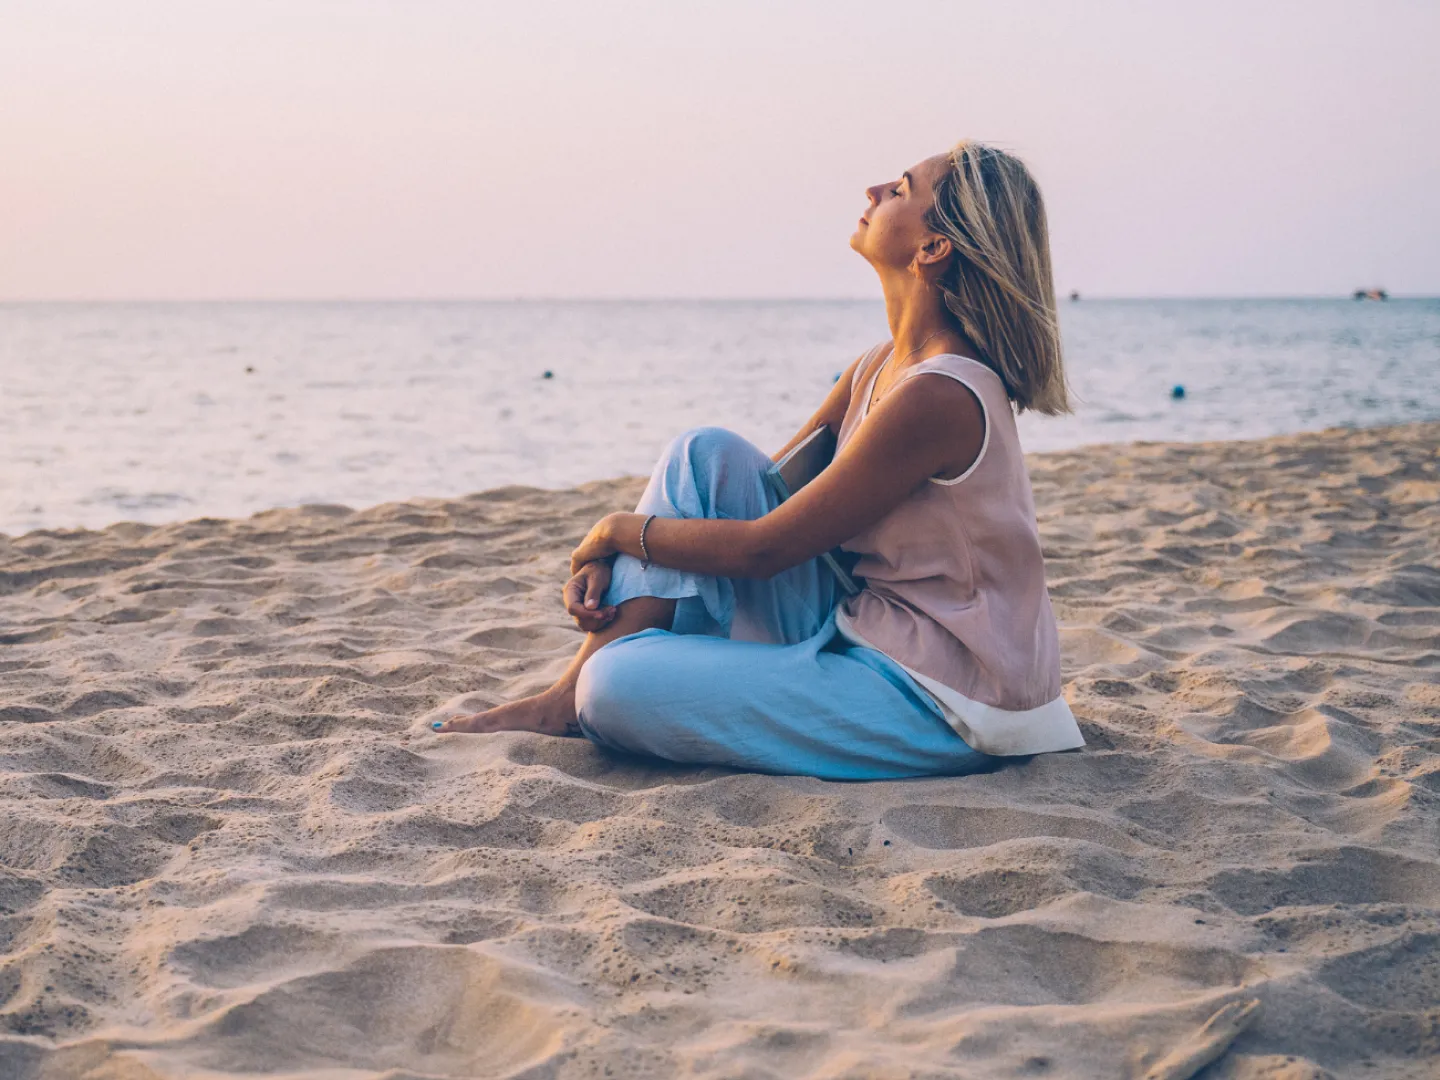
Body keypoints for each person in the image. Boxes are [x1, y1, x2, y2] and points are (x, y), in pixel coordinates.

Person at [432, 141, 1085, 780]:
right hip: (868, 623)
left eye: (903, 189)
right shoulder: (876, 368)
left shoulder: (941, 394)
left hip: (949, 697)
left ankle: (585, 691)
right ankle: (563, 697)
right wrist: (629, 561)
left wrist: (611, 534)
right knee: (702, 456)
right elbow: (745, 500)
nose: (875, 191)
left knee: (613, 686)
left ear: (933, 249)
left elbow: (762, 551)